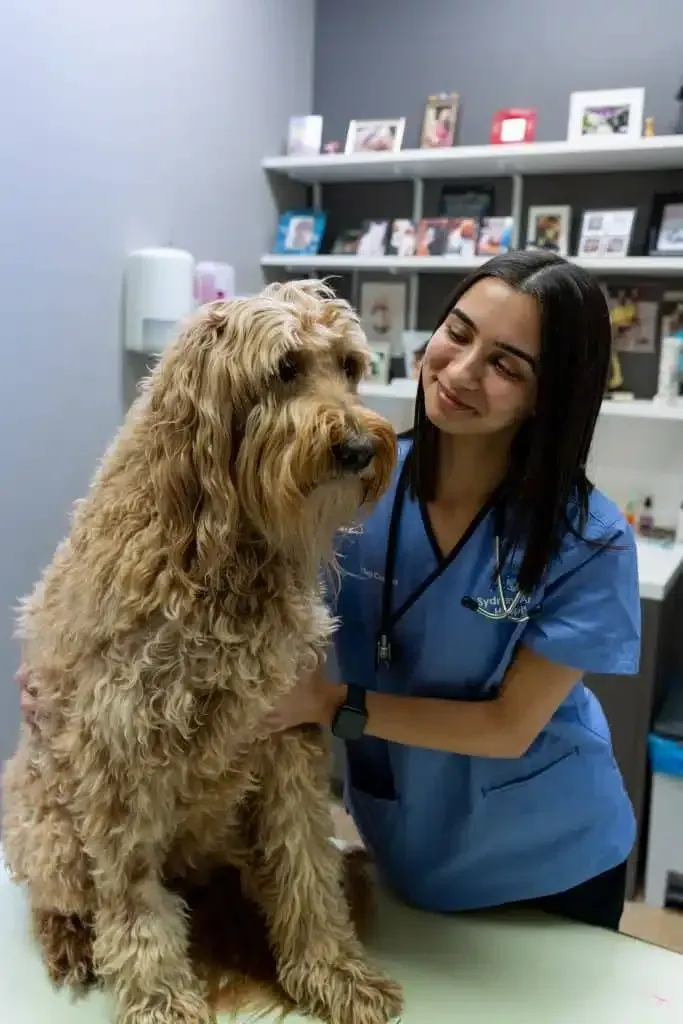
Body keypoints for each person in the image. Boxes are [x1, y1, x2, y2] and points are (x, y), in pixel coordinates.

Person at [267, 250, 641, 931]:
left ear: (545, 396)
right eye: (458, 333)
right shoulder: (350, 482)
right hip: (403, 841)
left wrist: (330, 704)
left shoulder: (587, 538)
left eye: (506, 365)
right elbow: (220, 586)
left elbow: (507, 726)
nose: (461, 371)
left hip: (550, 862)